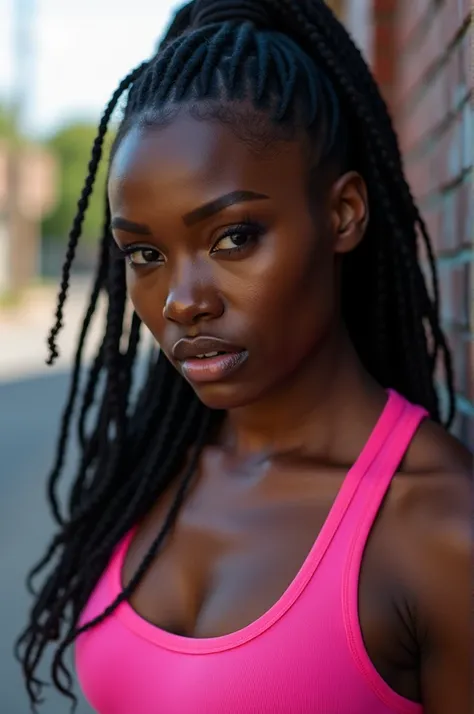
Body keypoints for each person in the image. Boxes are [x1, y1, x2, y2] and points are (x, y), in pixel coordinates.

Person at [16, 1, 472, 713]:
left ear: (344, 212)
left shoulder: (438, 529)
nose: (181, 301)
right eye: (146, 253)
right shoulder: (155, 472)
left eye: (232, 238)